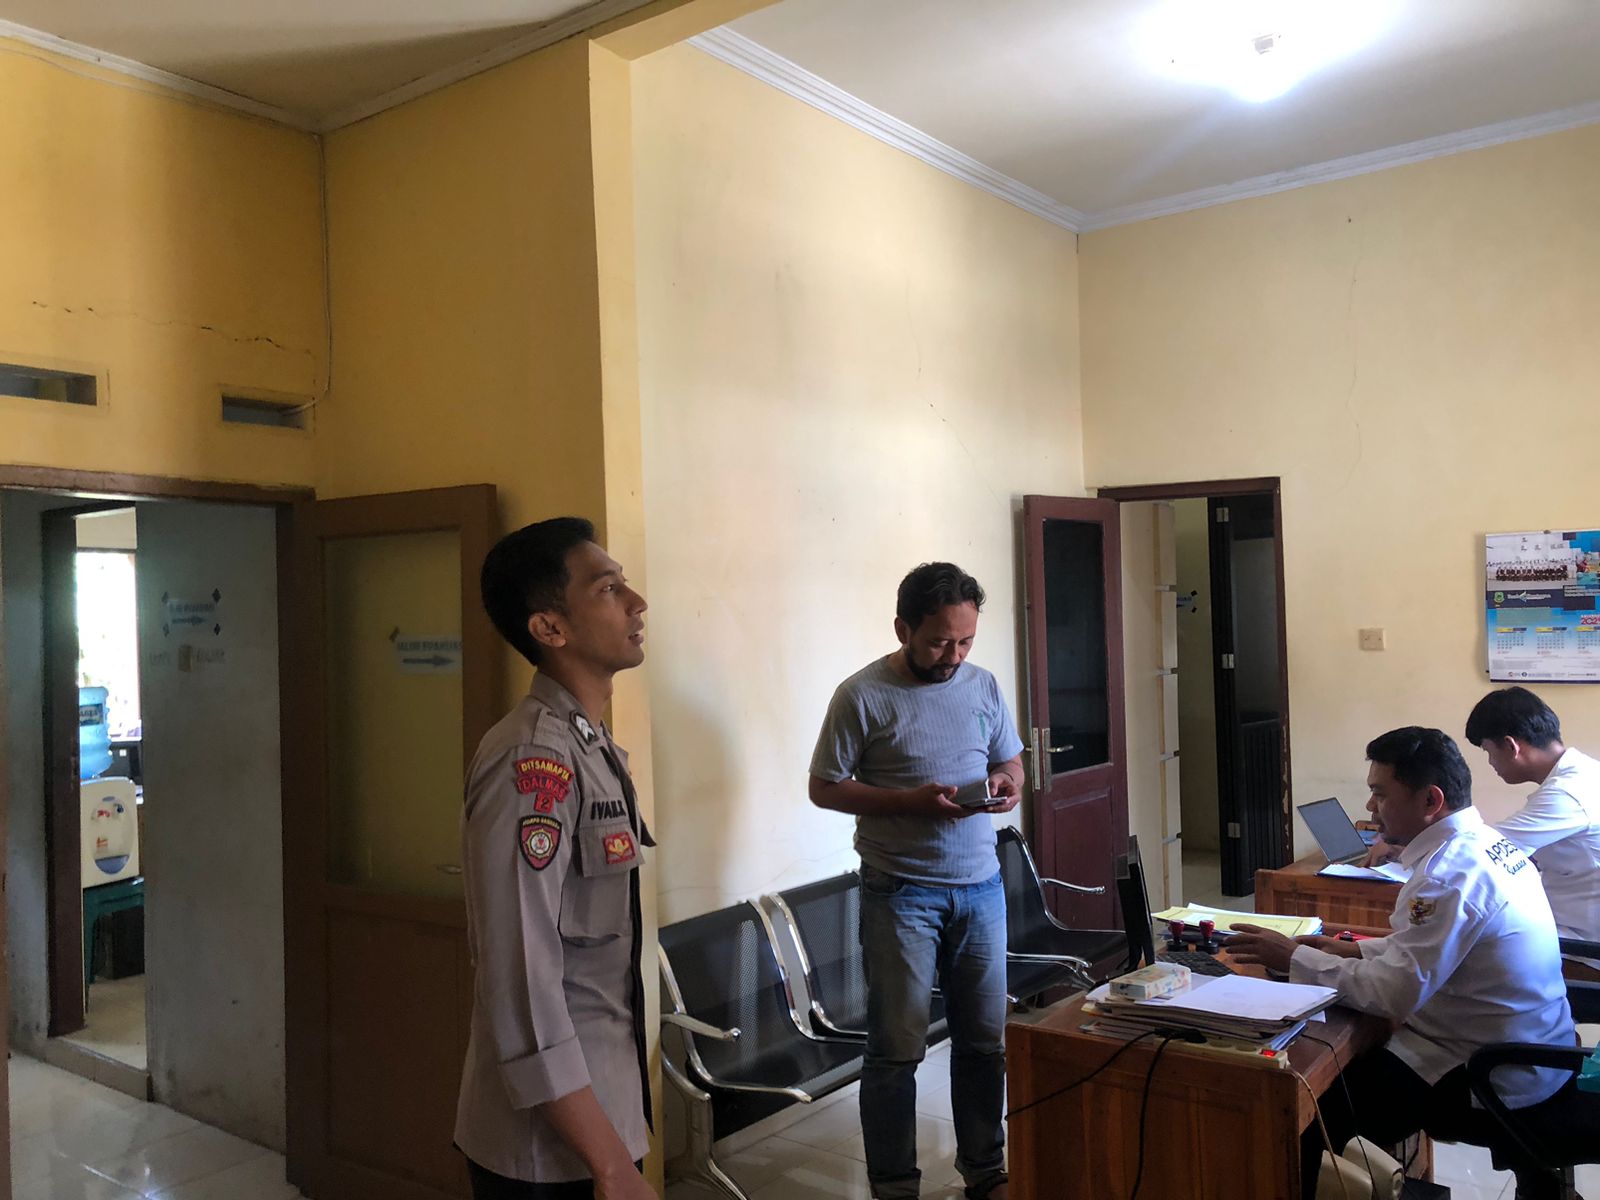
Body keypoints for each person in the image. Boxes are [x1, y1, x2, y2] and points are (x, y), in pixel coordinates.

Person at [1231, 728, 1575, 1198]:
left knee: (1303, 1113)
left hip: (1489, 1071)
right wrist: (1353, 949)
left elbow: (1393, 994)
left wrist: (1295, 957)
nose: (1370, 807)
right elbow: (1434, 948)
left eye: (1380, 793)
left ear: (1431, 800)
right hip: (1535, 1047)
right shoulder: (1485, 844)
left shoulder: (1447, 875)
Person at [808, 562, 1024, 1200]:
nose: (953, 656)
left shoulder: (982, 685)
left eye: (966, 641)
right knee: (896, 1051)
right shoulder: (861, 695)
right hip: (901, 894)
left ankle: (985, 1171)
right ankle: (895, 1185)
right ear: (903, 629)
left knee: (984, 1044)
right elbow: (824, 787)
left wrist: (1009, 781)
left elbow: (1010, 758)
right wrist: (909, 803)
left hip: (981, 888)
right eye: (938, 642)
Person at [455, 517, 655, 1200]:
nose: (636, 603)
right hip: (550, 1150)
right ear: (550, 628)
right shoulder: (531, 759)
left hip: (604, 1113)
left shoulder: (589, 745)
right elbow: (519, 974)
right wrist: (607, 1162)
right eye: (608, 589)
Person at [1363, 687, 1600, 950]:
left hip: (1579, 939)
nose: (1490, 762)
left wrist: (1398, 848)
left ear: (1510, 746)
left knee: (1446, 929)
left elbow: (1479, 851)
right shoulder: (1585, 773)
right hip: (1569, 919)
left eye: (1488, 750)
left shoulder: (1568, 794)